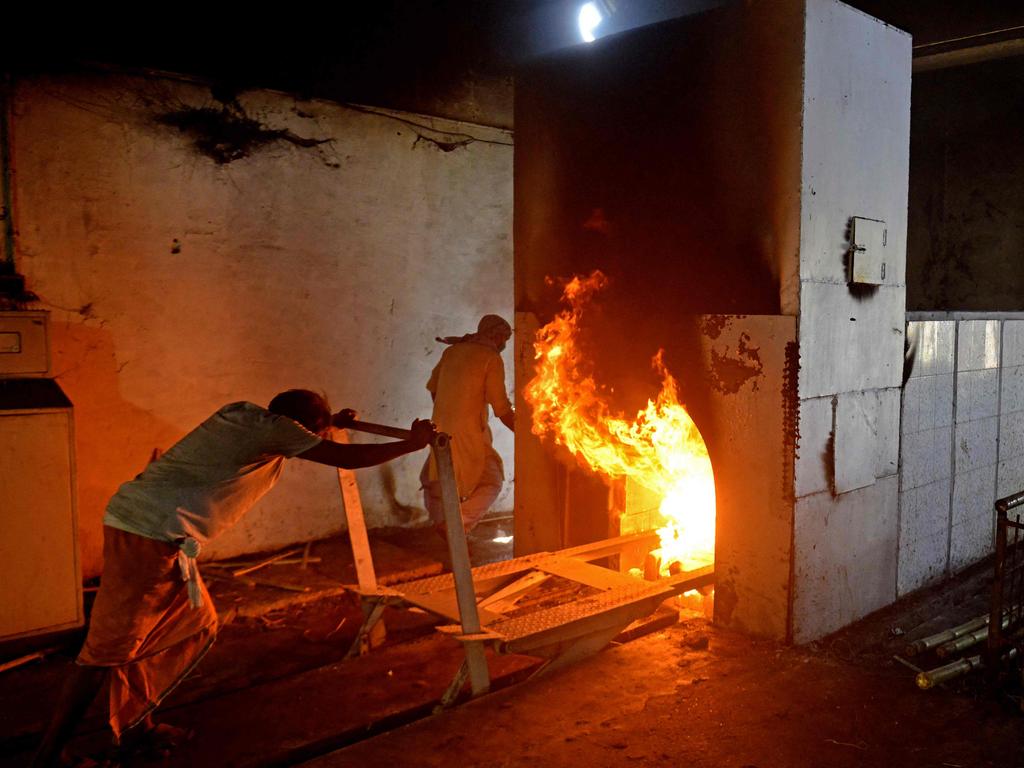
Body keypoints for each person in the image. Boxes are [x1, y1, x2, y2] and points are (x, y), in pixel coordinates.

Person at [33, 390, 434, 767]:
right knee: (106, 649)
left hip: (152, 531)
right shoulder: (279, 432)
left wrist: (331, 421)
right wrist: (412, 444)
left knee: (178, 627)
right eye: (318, 426)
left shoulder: (244, 415)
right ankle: (48, 754)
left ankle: (138, 727)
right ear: (304, 425)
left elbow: (306, 432)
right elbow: (346, 459)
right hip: (148, 536)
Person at [420, 314, 515, 538]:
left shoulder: (452, 351)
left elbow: (434, 388)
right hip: (471, 432)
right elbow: (501, 408)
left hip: (441, 427)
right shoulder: (490, 358)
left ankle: (443, 523)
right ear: (495, 335)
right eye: (503, 338)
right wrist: (527, 434)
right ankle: (455, 525)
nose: (503, 344)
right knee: (492, 481)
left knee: (435, 476)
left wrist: (450, 412)